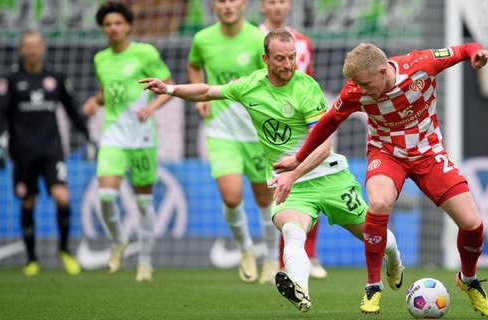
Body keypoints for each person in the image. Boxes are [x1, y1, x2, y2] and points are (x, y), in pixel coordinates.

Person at [139, 29, 404, 313]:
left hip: (327, 177)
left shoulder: (306, 87)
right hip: (292, 185)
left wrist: (292, 173)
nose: (288, 65)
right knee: (292, 232)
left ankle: (394, 261)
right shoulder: (250, 85)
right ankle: (300, 290)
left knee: (373, 235)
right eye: (280, 58)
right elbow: (206, 91)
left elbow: (323, 147)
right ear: (266, 58)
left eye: (292, 58)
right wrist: (168, 89)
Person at [273, 42, 488, 316]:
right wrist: (298, 158)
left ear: (382, 70)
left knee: (473, 224)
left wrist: (476, 55)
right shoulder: (355, 89)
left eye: (365, 84)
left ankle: (468, 280)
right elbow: (329, 121)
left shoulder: (421, 65)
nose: (361, 91)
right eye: (357, 85)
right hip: (386, 153)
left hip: (428, 153)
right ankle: (373, 286)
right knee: (378, 203)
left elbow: (464, 49)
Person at [187, 0, 280, 284]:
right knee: (231, 197)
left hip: (254, 132)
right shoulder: (202, 39)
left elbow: (270, 79)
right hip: (220, 130)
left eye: (233, 0)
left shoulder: (256, 39)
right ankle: (246, 250)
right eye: (221, 0)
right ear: (214, 6)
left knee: (266, 200)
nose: (227, 5)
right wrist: (200, 100)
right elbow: (194, 66)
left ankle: (272, 258)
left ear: (243, 4)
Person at [82, 1, 175, 282]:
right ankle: (119, 240)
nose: (113, 28)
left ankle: (145, 261)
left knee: (144, 203)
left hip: (143, 137)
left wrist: (151, 108)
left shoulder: (145, 53)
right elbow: (107, 94)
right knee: (106, 196)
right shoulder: (101, 59)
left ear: (128, 26)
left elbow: (168, 87)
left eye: (118, 23)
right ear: (103, 29)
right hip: (113, 137)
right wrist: (94, 101)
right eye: (108, 24)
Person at [0, 30, 93, 276]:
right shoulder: (11, 79)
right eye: (28, 45)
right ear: (21, 49)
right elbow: (1, 116)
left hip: (52, 150)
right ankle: (31, 259)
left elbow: (72, 111)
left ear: (44, 48)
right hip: (23, 152)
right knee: (28, 201)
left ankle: (65, 250)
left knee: (62, 198)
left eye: (37, 45)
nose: (33, 49)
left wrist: (89, 138)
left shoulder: (55, 78)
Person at [258, 0, 326, 280]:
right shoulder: (254, 38)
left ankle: (309, 255)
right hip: (267, 127)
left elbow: (305, 82)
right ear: (263, 6)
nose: (277, 7)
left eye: (282, 1)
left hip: (299, 125)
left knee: (315, 183)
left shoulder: (304, 42)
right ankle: (271, 258)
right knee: (270, 194)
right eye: (271, 1)